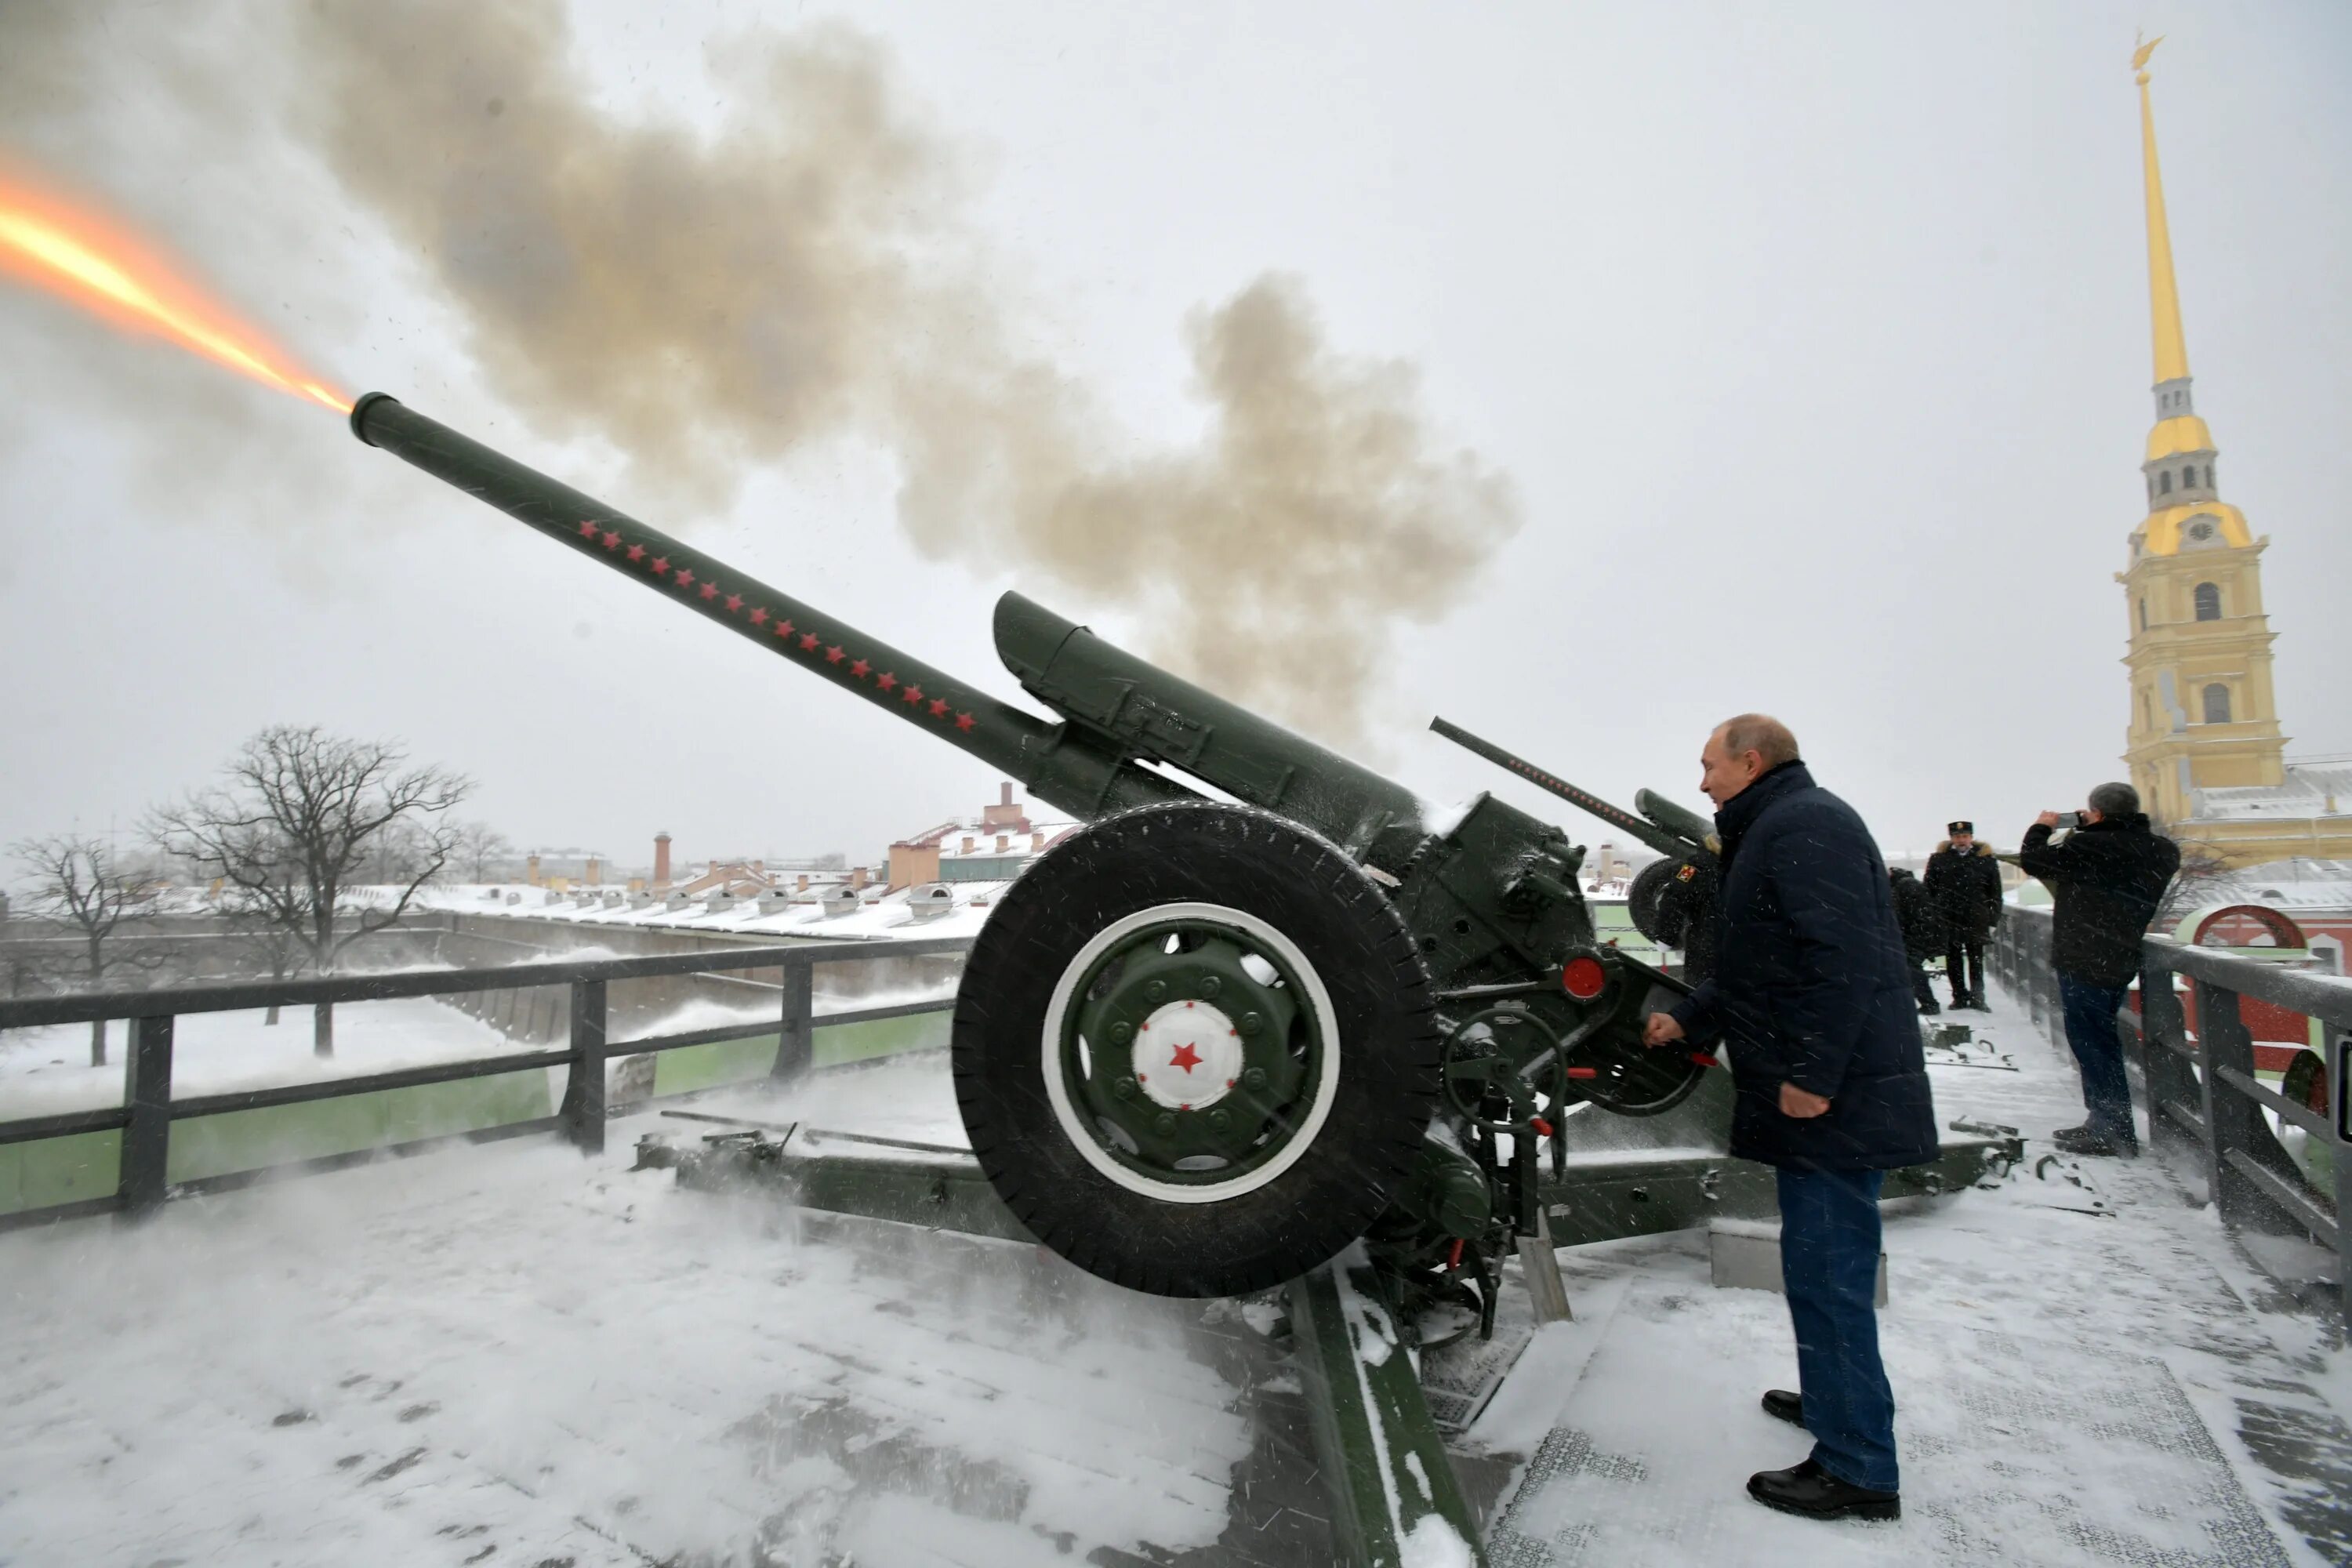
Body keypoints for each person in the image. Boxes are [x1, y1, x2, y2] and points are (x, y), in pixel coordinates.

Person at [1643, 714, 1936, 1522]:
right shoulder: (1782, 824)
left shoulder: (1804, 825)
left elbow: (1842, 961)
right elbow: (1759, 959)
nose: (1701, 782)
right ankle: (1835, 1401)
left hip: (1835, 1096)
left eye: (1709, 766)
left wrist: (1813, 1076)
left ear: (1750, 758)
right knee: (1816, 1264)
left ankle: (1859, 1466)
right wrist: (1694, 1017)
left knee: (1832, 1271)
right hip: (1830, 1088)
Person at [2016, 782, 2180, 1157]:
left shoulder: (2089, 846)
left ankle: (2113, 1128)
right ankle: (2105, 1122)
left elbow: (2033, 860)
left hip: (2083, 956)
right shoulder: (2162, 850)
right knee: (2100, 1039)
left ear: (2099, 814)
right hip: (2119, 956)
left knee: (2092, 1042)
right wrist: (2098, 827)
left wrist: (2043, 826)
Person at [1923, 822, 2002, 1010]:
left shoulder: (1986, 860)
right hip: (1948, 917)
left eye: (1965, 836)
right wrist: (1933, 914)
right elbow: (1929, 889)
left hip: (1976, 918)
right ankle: (1959, 996)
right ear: (1952, 839)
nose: (1961, 840)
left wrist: (1993, 918)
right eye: (1958, 837)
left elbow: (1995, 893)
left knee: (1976, 960)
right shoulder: (1939, 859)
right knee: (1953, 959)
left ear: (1971, 838)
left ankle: (1977, 997)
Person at [1887, 867, 1944, 1015]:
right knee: (1910, 968)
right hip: (1914, 934)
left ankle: (1929, 1003)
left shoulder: (1905, 886)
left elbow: (1919, 914)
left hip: (1914, 936)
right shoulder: (1902, 885)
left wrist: (1911, 933)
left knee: (1912, 968)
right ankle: (1923, 1002)